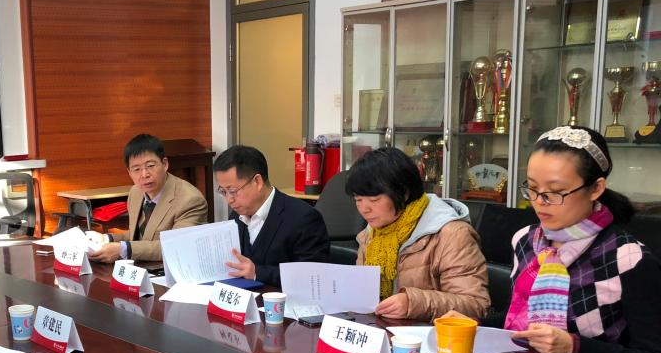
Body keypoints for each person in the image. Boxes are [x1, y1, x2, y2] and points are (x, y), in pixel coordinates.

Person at [506, 125, 661, 353]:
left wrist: (576, 347)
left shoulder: (628, 259)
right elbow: (521, 317)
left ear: (596, 188)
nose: (540, 201)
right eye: (532, 188)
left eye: (556, 192)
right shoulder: (526, 240)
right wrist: (474, 322)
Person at [346, 147, 490, 321]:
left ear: (404, 193)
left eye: (374, 200)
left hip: (431, 335)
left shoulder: (452, 234)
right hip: (382, 329)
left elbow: (475, 305)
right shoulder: (372, 233)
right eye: (358, 200)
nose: (364, 209)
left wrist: (413, 303)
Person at [213, 144, 329, 287]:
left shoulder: (304, 218)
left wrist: (257, 273)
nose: (229, 200)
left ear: (257, 182)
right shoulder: (236, 216)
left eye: (232, 191)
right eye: (223, 192)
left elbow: (312, 276)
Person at [87, 133, 208, 263]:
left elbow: (177, 246)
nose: (144, 174)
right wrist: (106, 239)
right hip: (143, 268)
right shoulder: (135, 192)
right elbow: (141, 236)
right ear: (129, 172)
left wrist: (124, 249)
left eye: (150, 166)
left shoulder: (190, 200)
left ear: (165, 164)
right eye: (136, 169)